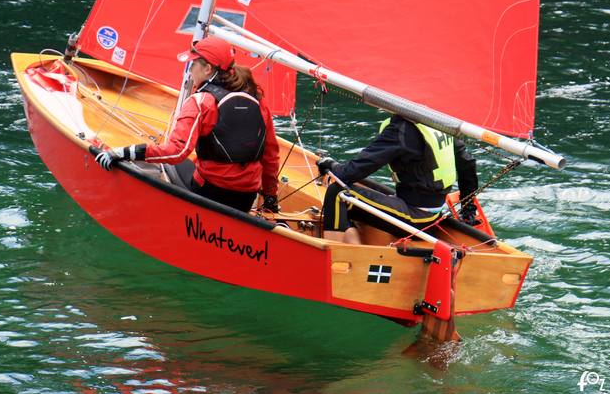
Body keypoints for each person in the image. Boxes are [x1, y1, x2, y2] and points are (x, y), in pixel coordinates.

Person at [95, 36, 281, 214]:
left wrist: (122, 153)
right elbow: (270, 155)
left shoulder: (201, 101)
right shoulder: (258, 101)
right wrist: (271, 197)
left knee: (168, 166)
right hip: (245, 200)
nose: (190, 70)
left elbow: (176, 152)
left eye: (193, 64)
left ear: (207, 68)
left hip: (210, 194)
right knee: (193, 163)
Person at [317, 114, 478, 243]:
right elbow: (468, 165)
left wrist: (331, 165)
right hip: (433, 214)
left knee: (338, 192)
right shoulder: (436, 120)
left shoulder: (403, 129)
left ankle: (332, 258)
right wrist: (468, 210)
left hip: (415, 218)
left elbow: (351, 172)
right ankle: (353, 246)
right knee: (358, 186)